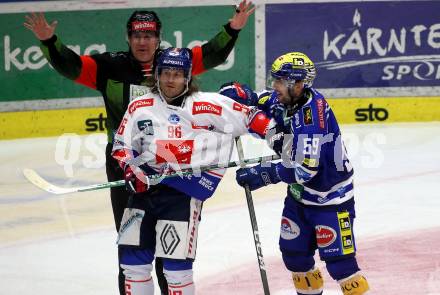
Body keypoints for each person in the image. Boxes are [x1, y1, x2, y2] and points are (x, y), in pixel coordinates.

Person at [23, 2, 254, 294]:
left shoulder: (172, 64)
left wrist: (233, 28)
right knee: (132, 244)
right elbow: (72, 66)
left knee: (170, 245)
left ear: (159, 38)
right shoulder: (109, 67)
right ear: (128, 38)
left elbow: (211, 53)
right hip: (125, 164)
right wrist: (48, 41)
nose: (142, 42)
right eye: (136, 36)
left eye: (149, 36)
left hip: (173, 164)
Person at [111, 47, 275, 295]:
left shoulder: (207, 105)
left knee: (176, 271)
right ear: (156, 74)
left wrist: (282, 140)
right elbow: (122, 146)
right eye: (165, 73)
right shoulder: (139, 107)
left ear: (188, 77)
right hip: (142, 194)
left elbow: (253, 118)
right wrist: (131, 170)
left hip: (181, 195)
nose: (170, 80)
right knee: (132, 266)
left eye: (177, 74)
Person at [231, 52, 370, 295]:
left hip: (331, 200)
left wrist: (264, 173)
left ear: (297, 84)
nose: (275, 87)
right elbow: (264, 100)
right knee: (295, 257)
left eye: (279, 81)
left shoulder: (312, 119)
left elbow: (306, 170)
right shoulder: (289, 98)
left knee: (341, 266)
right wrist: (244, 96)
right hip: (299, 198)